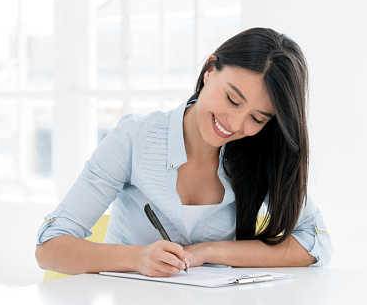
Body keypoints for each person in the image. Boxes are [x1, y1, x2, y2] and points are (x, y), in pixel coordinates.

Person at [35, 28, 333, 277]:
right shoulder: (134, 138)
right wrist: (137, 258)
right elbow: (50, 247)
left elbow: (315, 241)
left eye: (257, 118)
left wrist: (208, 251)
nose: (235, 124)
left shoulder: (258, 154)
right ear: (210, 70)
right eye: (232, 99)